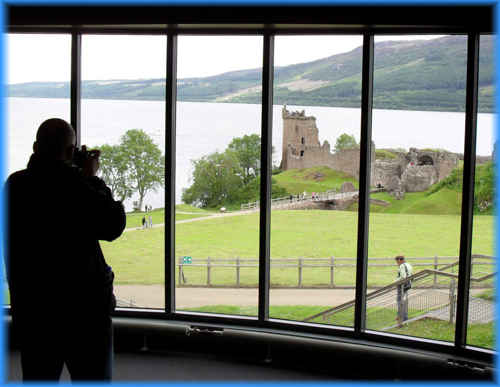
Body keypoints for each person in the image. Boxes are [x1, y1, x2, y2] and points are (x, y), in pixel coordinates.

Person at [6, 118, 126, 381]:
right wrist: (91, 177)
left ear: (35, 147)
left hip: (33, 311)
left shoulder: (14, 185)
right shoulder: (79, 186)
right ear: (71, 152)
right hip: (85, 316)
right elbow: (114, 224)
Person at [395, 255, 413, 325]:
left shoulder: (402, 266)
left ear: (400, 260)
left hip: (402, 285)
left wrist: (395, 281)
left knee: (399, 301)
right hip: (408, 285)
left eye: (397, 262)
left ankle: (401, 317)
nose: (397, 264)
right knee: (404, 301)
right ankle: (404, 317)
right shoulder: (409, 265)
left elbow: (403, 276)